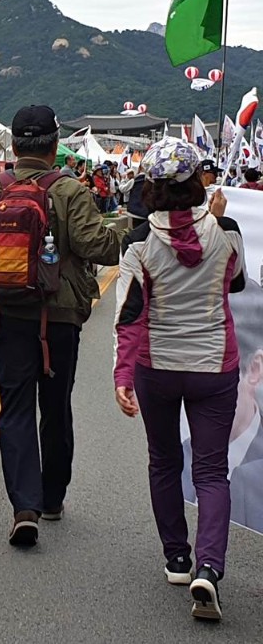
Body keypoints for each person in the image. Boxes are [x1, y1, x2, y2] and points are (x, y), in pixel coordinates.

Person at [0, 106, 123, 546]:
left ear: (14, 145)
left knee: (15, 408)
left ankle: (25, 507)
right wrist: (126, 226)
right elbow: (101, 247)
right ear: (54, 146)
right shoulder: (70, 190)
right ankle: (53, 497)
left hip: (4, 313)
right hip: (59, 318)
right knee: (56, 407)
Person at [113, 139, 244, 621]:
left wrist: (122, 374)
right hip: (214, 366)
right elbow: (235, 281)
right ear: (197, 183)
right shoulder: (227, 231)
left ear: (150, 188)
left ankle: (177, 558)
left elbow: (129, 316)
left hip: (158, 368)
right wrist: (216, 220)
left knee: (164, 461)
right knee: (211, 471)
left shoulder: (138, 242)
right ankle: (209, 567)